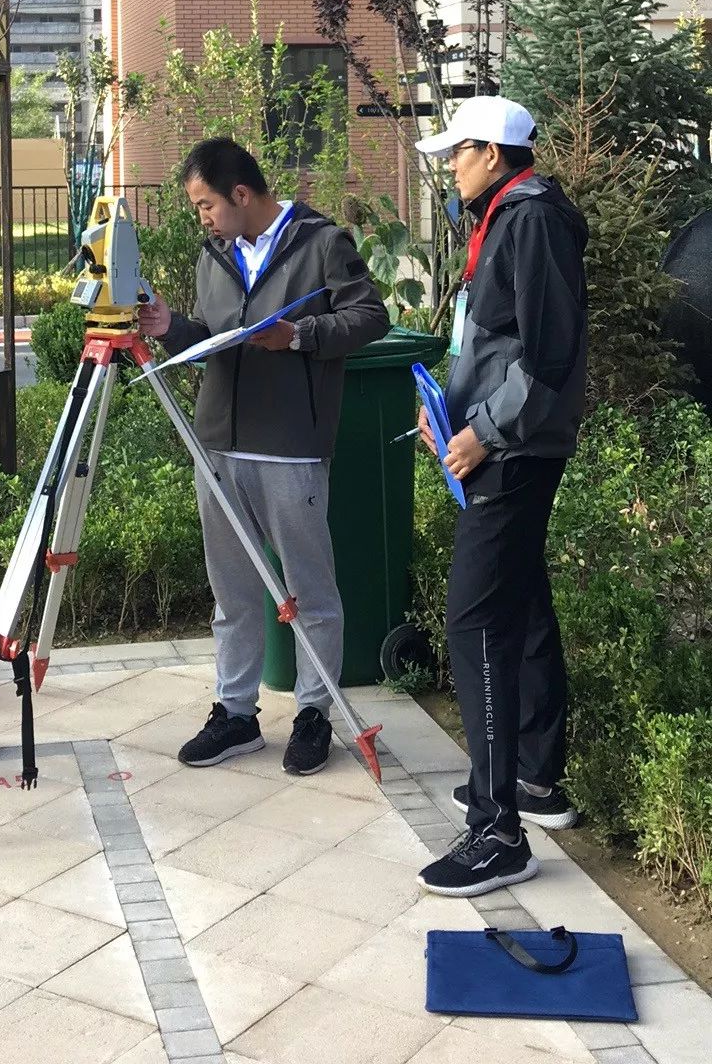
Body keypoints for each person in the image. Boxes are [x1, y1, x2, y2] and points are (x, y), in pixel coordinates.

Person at [139, 137, 390, 776]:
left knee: (309, 586)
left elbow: (369, 317)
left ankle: (313, 712)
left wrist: (300, 334)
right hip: (218, 442)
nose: (201, 218)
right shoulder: (213, 255)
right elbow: (213, 336)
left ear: (241, 195)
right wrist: (173, 327)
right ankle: (235, 712)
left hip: (290, 446)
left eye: (204, 205)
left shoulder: (322, 243)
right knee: (233, 589)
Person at [413, 97, 588, 899]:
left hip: (514, 452)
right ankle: (531, 780)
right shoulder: (503, 219)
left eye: (458, 153)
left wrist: (482, 430)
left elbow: (548, 355)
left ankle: (497, 832)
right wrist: (451, 414)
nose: (450, 165)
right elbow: (494, 341)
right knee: (518, 604)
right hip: (497, 441)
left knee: (477, 622)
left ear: (492, 152)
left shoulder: (528, 221)